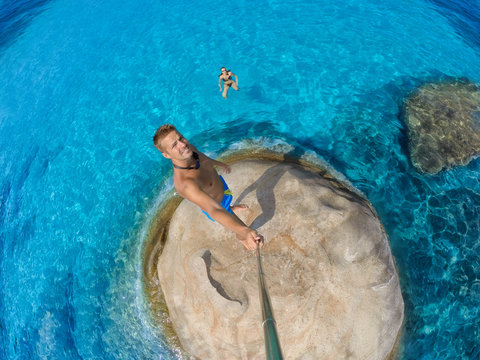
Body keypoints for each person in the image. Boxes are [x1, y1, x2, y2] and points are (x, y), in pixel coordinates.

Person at [153, 124, 263, 250]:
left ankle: (231, 207)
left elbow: (205, 160)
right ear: (166, 155)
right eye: (174, 145)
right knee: (240, 226)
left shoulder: (190, 150)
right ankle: (241, 236)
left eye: (181, 138)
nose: (182, 144)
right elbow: (214, 210)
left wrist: (220, 164)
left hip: (223, 189)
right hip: (217, 205)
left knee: (228, 207)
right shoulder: (185, 184)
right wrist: (244, 231)